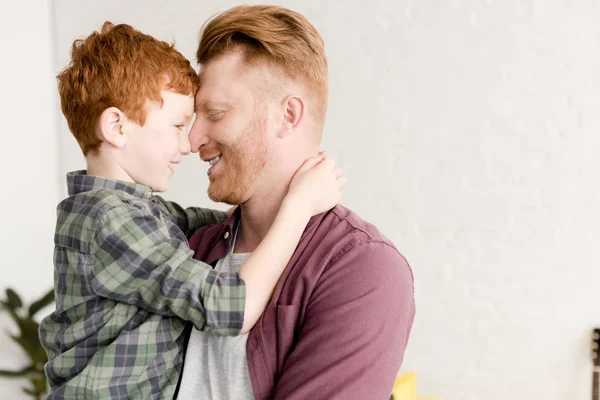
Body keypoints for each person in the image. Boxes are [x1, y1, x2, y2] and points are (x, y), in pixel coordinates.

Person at [38, 21, 344, 399]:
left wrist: (270, 202)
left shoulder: (124, 212)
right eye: (178, 124)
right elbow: (230, 307)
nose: (188, 143)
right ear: (117, 126)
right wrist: (297, 207)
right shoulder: (113, 221)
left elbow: (198, 221)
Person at [177, 5, 415, 400]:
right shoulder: (189, 248)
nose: (191, 140)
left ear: (287, 115)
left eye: (215, 113)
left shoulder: (365, 271)